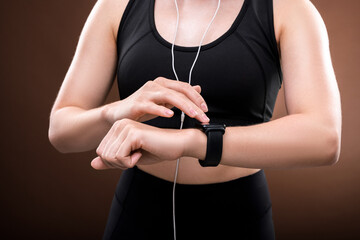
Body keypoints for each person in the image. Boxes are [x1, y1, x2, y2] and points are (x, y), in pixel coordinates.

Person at [48, 0, 342, 239]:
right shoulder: (116, 6)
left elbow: (324, 137)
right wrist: (117, 111)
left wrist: (190, 142)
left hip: (238, 215)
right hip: (137, 210)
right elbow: (61, 131)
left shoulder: (288, 9)